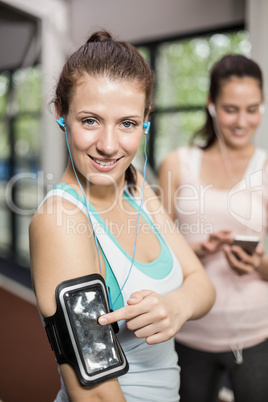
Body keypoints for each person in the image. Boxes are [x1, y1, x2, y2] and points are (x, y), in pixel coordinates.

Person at [29, 30, 215, 402]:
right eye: (90, 121)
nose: (109, 145)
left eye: (127, 123)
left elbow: (203, 285)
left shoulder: (136, 187)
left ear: (146, 120)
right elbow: (94, 393)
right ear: (60, 114)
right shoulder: (61, 221)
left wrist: (176, 306)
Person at [158, 54, 268, 402]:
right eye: (230, 108)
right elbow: (154, 254)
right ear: (211, 105)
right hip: (188, 330)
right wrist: (196, 252)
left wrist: (258, 263)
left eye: (252, 109)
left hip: (256, 334)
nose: (242, 120)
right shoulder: (177, 163)